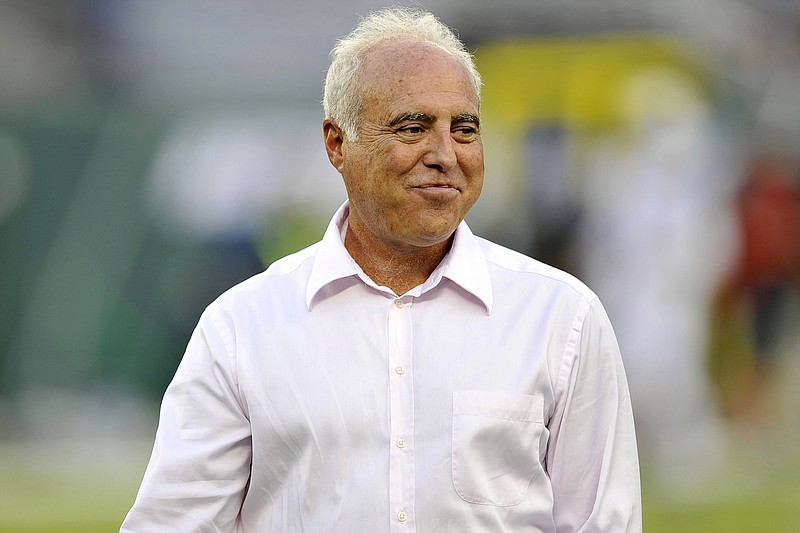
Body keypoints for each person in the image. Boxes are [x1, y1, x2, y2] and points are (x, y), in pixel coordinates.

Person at [121, 7, 641, 532]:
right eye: (413, 127)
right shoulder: (243, 326)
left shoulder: (560, 318)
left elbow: (603, 524)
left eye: (464, 129)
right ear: (336, 144)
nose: (444, 153)